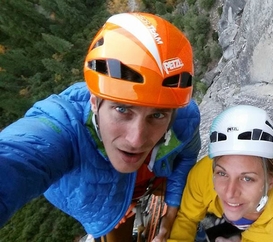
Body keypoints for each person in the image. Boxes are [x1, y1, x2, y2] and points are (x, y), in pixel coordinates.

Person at [0, 12, 201, 242]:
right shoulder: (64, 127)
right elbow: (21, 153)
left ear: (173, 113)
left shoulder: (185, 118)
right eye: (123, 110)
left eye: (157, 115)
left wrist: (172, 209)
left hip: (150, 189)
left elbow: (186, 157)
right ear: (94, 102)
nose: (136, 140)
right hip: (108, 209)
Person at [169, 105, 273, 242]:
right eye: (222, 174)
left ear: (271, 181)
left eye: (247, 178)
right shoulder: (203, 174)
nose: (230, 193)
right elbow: (187, 218)